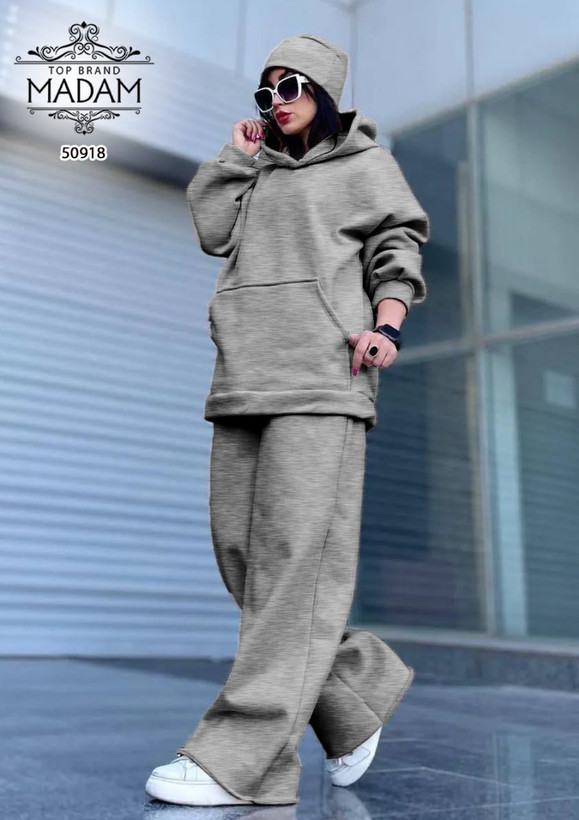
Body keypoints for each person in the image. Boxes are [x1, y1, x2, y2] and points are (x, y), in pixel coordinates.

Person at [145, 33, 430, 808]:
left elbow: (397, 249)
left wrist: (386, 326)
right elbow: (212, 231)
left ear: (325, 92)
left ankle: (242, 760)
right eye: (265, 91)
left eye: (291, 86)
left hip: (323, 378)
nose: (276, 102)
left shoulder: (366, 166)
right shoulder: (258, 170)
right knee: (246, 560)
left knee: (293, 567)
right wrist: (236, 157)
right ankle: (355, 696)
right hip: (244, 377)